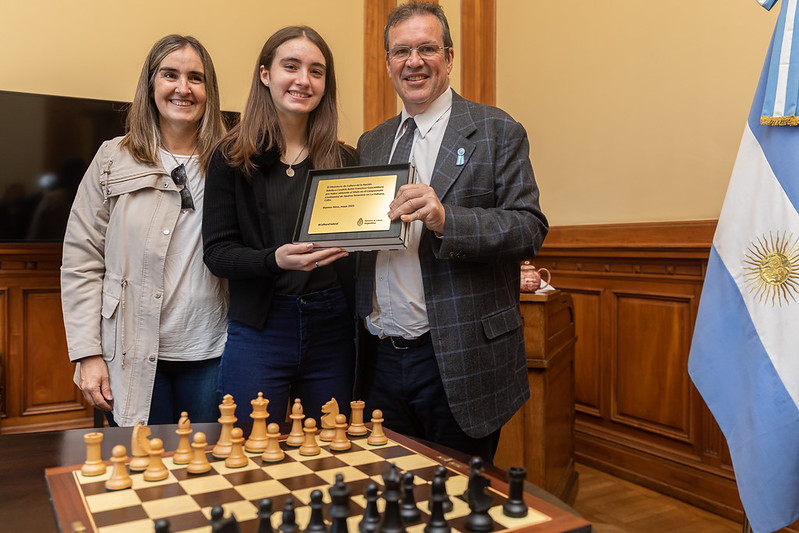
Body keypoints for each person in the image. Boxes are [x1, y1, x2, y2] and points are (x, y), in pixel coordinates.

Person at [356, 1, 549, 462]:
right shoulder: (372, 143)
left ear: (449, 55)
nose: (414, 61)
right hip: (380, 357)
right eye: (401, 51)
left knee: (459, 506)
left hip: (459, 358)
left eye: (427, 48)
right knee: (392, 501)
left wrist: (447, 220)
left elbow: (529, 227)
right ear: (387, 63)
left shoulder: (496, 129)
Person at [61, 35, 229, 427]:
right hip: (130, 356)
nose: (183, 89)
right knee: (140, 475)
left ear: (210, 91)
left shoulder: (232, 161)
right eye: (170, 75)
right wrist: (88, 354)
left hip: (210, 353)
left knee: (204, 476)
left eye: (196, 78)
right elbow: (81, 262)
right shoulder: (112, 158)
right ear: (151, 85)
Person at [203, 26, 358, 426]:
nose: (303, 80)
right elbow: (218, 254)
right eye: (291, 66)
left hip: (332, 328)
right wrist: (275, 260)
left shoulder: (346, 161)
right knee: (248, 452)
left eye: (316, 71)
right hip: (260, 327)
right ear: (265, 74)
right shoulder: (231, 157)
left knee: (330, 453)